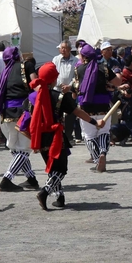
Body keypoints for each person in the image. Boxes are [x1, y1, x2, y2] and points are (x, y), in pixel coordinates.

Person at [30, 62, 106, 210]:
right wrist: (94, 122)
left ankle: (60, 198)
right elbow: (77, 112)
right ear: (53, 79)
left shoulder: (34, 97)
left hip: (41, 137)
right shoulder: (60, 97)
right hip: (55, 137)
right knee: (61, 170)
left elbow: (29, 119)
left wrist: (33, 138)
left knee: (53, 169)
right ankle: (45, 192)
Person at [0, 46, 40, 191]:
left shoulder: (3, 74)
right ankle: (7, 179)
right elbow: (35, 84)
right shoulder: (26, 65)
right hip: (23, 112)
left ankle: (31, 179)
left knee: (16, 149)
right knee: (24, 150)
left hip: (6, 114)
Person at [74, 44, 124, 172]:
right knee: (103, 132)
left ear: (84, 56)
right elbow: (118, 83)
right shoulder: (105, 68)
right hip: (103, 105)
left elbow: (76, 89)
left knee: (89, 135)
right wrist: (117, 73)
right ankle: (103, 152)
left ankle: (97, 159)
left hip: (86, 107)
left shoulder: (79, 69)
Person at [51, 41, 78, 145]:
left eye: (65, 48)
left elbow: (76, 76)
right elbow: (53, 73)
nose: (63, 50)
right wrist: (59, 84)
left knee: (71, 113)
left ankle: (69, 136)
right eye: (61, 48)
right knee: (57, 113)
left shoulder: (76, 60)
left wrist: (70, 86)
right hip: (57, 90)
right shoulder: (56, 59)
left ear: (70, 49)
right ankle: (58, 135)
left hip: (70, 91)